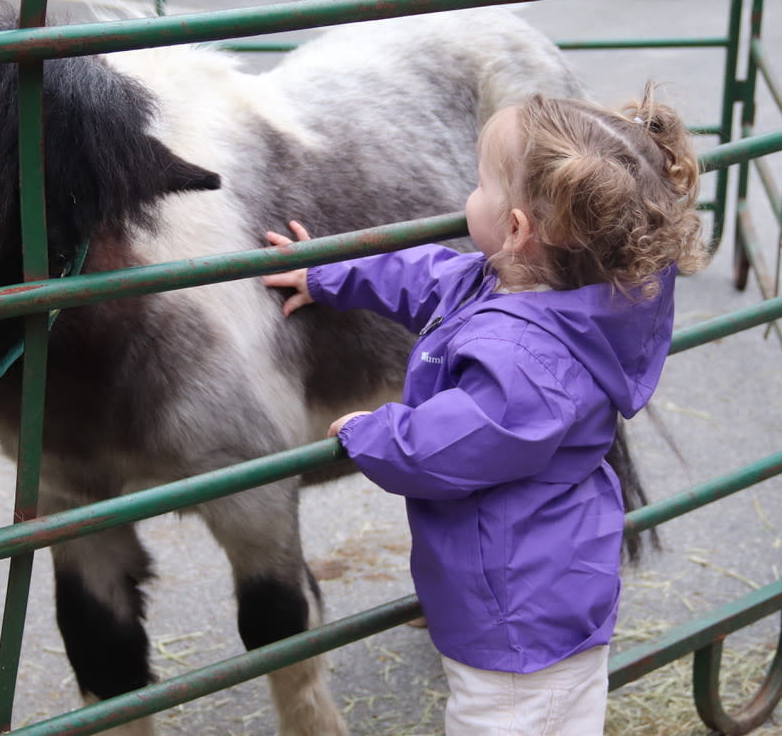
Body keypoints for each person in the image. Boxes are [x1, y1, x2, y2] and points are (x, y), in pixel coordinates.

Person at [262, 86, 709, 735]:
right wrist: (328, 273)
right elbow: (422, 277)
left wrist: (372, 431)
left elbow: (443, 447)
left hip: (516, 621)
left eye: (478, 185)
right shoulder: (515, 285)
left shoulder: (529, 360)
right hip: (547, 586)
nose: (467, 197)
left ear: (519, 229)